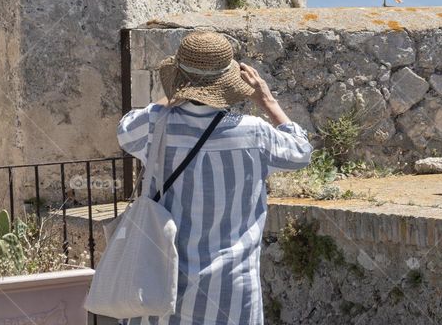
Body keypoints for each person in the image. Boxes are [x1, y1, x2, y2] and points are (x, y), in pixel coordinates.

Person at [117, 31, 312, 325]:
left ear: (178, 79)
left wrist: (175, 92)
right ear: (230, 81)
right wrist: (267, 100)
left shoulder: (156, 126)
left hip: (158, 284)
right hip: (231, 294)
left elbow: (125, 130)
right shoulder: (254, 133)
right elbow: (301, 152)